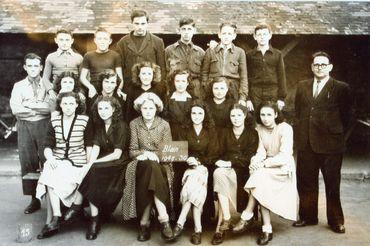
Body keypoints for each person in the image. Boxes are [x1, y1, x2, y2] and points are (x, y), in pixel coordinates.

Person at [293, 51, 353, 234]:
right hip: (307, 144)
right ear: (312, 67)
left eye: (323, 64)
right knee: (306, 183)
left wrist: (339, 137)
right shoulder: (302, 86)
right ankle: (308, 217)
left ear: (330, 67)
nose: (319, 67)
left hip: (331, 146)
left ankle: (336, 221)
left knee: (332, 184)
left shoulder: (341, 88)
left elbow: (349, 117)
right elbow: (299, 112)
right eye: (316, 64)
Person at [233, 101, 298, 245]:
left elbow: (285, 155)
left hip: (282, 168)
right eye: (262, 114)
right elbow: (261, 151)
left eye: (269, 114)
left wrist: (263, 164)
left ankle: (247, 215)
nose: (266, 118)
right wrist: (256, 161)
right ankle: (266, 229)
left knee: (260, 179)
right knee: (261, 181)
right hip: (266, 168)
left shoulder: (285, 128)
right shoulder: (259, 129)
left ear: (276, 114)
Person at [64, 96, 130, 240]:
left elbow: (117, 154)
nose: (103, 111)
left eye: (107, 108)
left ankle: (77, 205)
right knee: (91, 170)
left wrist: (94, 163)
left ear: (114, 109)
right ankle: (94, 218)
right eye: (100, 108)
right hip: (104, 162)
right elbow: (96, 146)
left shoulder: (121, 125)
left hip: (119, 163)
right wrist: (90, 162)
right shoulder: (99, 125)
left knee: (94, 169)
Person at [35, 92, 91, 239]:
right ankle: (57, 216)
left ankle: (57, 218)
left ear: (77, 105)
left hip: (77, 161)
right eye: (65, 103)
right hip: (58, 159)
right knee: (48, 169)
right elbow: (47, 145)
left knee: (54, 174)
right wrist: (51, 158)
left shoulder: (84, 121)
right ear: (60, 105)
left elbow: (89, 145)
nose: (68, 107)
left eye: (71, 103)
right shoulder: (54, 122)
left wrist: (88, 163)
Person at [122, 92, 174, 242]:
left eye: (151, 108)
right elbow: (132, 150)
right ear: (140, 109)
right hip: (140, 163)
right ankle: (164, 220)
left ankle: (144, 223)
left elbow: (167, 150)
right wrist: (145, 153)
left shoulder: (164, 125)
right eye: (145, 108)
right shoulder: (134, 124)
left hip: (161, 164)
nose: (148, 111)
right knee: (148, 167)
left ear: (157, 109)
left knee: (151, 171)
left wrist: (155, 155)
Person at [9, 53, 52, 214]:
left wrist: (29, 106)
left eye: (36, 66)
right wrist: (38, 107)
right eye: (30, 66)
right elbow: (16, 109)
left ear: (41, 67)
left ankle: (54, 199)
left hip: (44, 126)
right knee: (28, 161)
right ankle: (34, 200)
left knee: (47, 160)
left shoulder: (49, 85)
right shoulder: (18, 86)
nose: (33, 69)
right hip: (25, 126)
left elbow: (50, 108)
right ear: (25, 67)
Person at [172, 100, 218, 245]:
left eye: (200, 113)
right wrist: (188, 159)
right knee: (193, 179)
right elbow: (179, 152)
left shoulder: (211, 131)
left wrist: (198, 161)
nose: (196, 116)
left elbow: (213, 154)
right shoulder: (183, 129)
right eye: (194, 113)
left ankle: (180, 222)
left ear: (205, 115)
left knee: (195, 178)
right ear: (189, 114)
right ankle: (197, 229)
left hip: (204, 167)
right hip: (186, 168)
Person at [211, 104, 258, 245]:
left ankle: (228, 222)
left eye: (239, 115)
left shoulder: (252, 133)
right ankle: (226, 217)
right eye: (232, 115)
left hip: (244, 171)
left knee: (226, 173)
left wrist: (230, 163)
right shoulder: (224, 132)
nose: (236, 119)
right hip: (227, 170)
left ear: (244, 116)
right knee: (218, 173)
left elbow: (250, 156)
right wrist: (224, 163)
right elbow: (217, 153)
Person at [115, 10, 166, 96]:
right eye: (137, 24)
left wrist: (159, 88)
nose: (140, 27)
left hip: (151, 87)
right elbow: (120, 68)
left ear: (147, 24)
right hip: (129, 88)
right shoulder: (122, 43)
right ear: (132, 24)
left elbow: (162, 67)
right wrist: (121, 88)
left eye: (143, 24)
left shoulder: (157, 42)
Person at [201, 22, 248, 104]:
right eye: (224, 33)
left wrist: (242, 97)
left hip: (233, 88)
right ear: (219, 35)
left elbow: (243, 76)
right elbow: (204, 72)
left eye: (229, 34)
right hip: (214, 88)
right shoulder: (211, 51)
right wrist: (206, 88)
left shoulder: (240, 52)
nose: (226, 36)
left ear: (234, 36)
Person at [246, 24, 287, 111]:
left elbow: (281, 76)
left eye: (264, 34)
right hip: (255, 92)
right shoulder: (249, 55)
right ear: (254, 36)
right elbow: (246, 77)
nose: (262, 37)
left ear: (270, 35)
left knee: (271, 118)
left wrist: (281, 98)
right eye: (259, 34)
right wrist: (248, 99)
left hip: (273, 92)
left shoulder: (277, 54)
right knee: (256, 119)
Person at [165, 17, 205, 98]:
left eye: (189, 29)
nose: (186, 32)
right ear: (179, 30)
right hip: (175, 88)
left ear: (194, 30)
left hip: (195, 90)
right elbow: (165, 71)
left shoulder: (200, 52)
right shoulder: (169, 50)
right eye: (183, 29)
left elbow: (204, 74)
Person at [80, 27, 123, 99]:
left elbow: (120, 77)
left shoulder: (115, 55)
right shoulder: (88, 55)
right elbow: (82, 77)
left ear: (110, 41)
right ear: (95, 40)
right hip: (94, 90)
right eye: (99, 39)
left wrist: (119, 89)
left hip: (109, 89)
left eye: (105, 39)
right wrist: (90, 87)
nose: (102, 41)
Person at [164, 69, 194, 140]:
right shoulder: (168, 99)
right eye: (177, 81)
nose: (180, 84)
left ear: (187, 83)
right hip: (172, 135)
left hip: (189, 135)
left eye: (183, 81)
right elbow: (164, 119)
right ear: (174, 82)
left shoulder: (194, 99)